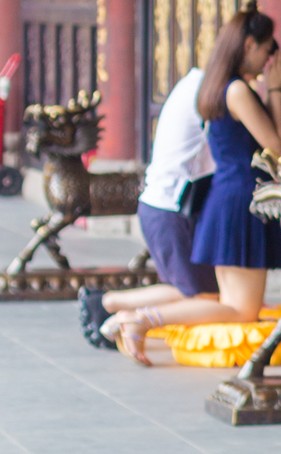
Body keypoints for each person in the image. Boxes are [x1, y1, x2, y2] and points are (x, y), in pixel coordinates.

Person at [106, 5, 281, 364]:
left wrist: (277, 94)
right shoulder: (237, 90)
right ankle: (141, 320)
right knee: (240, 310)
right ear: (248, 45)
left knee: (227, 303)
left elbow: (266, 138)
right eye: (268, 49)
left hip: (232, 197)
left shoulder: (219, 87)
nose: (270, 59)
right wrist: (274, 91)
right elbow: (274, 147)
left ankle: (133, 317)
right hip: (242, 199)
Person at [83, 60, 217, 349]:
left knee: (195, 293)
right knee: (202, 299)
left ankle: (107, 304)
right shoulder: (210, 92)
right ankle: (117, 311)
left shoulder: (194, 84)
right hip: (171, 210)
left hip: (162, 207)